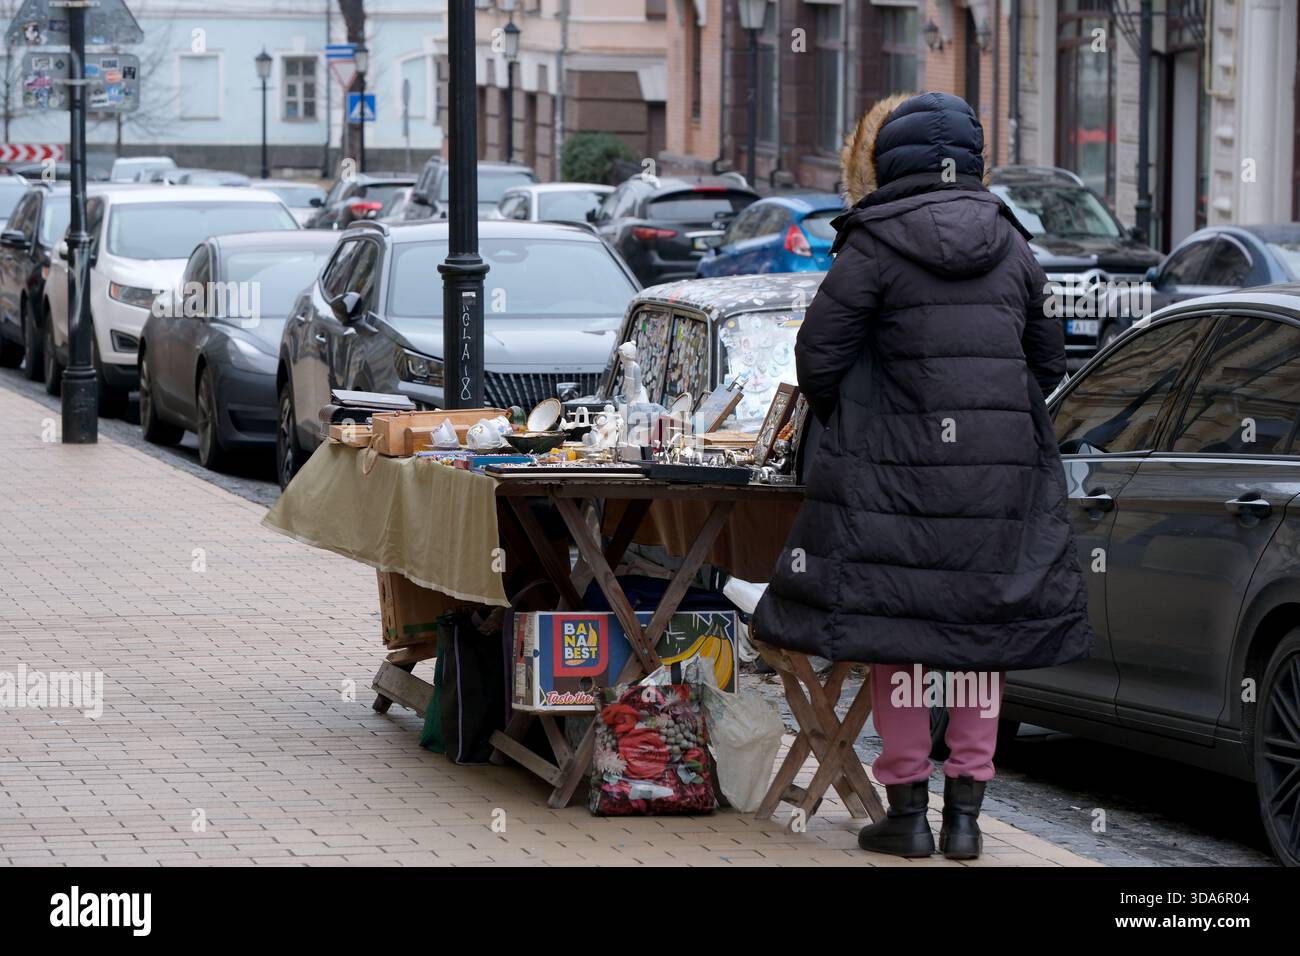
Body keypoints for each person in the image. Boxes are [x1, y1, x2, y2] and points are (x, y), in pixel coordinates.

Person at [752, 91, 1094, 860]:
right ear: (971, 160)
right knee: (980, 640)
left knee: (896, 637)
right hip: (996, 485)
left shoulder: (870, 244)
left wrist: (865, 422)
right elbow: (1048, 360)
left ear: (887, 161)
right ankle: (966, 820)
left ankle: (906, 813)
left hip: (892, 484)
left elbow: (818, 361)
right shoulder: (1012, 242)